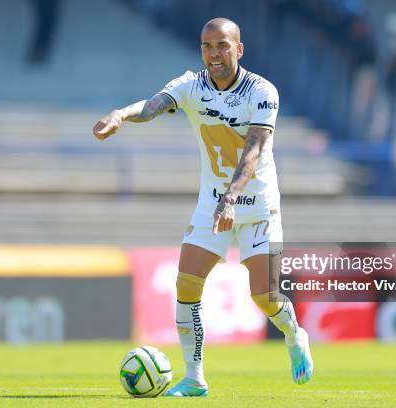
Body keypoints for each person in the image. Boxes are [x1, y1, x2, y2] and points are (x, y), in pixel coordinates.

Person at [92, 17, 313, 397]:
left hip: (258, 206)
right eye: (207, 46)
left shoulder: (262, 92)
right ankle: (195, 378)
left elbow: (254, 149)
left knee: (264, 295)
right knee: (187, 284)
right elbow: (153, 106)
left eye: (222, 45)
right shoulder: (190, 85)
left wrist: (231, 197)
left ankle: (295, 336)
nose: (214, 53)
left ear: (238, 49)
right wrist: (121, 115)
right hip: (212, 207)